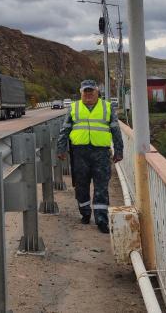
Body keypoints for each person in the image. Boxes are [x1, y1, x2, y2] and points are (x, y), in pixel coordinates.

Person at [57, 80, 124, 233]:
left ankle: (101, 220)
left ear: (96, 92)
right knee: (81, 185)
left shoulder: (107, 107)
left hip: (101, 153)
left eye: (91, 91)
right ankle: (85, 213)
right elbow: (65, 129)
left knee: (101, 187)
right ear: (80, 92)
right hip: (79, 153)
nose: (88, 94)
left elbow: (116, 130)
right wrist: (61, 148)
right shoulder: (74, 107)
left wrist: (119, 150)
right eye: (85, 91)